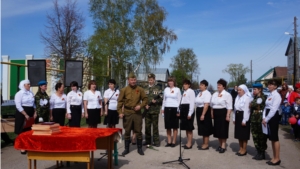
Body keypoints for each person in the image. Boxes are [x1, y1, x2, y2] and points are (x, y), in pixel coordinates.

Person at [117, 73, 147, 156]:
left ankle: (139, 148)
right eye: (131, 80)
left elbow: (145, 100)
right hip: (127, 113)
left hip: (137, 113)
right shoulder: (124, 90)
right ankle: (126, 149)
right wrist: (120, 112)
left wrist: (140, 106)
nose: (133, 81)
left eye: (134, 80)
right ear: (128, 80)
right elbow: (120, 102)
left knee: (138, 131)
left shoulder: (140, 89)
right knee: (127, 131)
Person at [14, 80, 37, 154]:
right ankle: (22, 147)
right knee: (22, 131)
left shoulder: (31, 93)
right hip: (22, 113)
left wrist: (35, 112)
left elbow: (34, 104)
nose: (30, 85)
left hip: (30, 112)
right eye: (28, 84)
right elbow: (18, 105)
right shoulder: (19, 94)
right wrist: (25, 114)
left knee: (29, 130)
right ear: (24, 85)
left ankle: (28, 145)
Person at [210, 78, 232, 153]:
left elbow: (229, 107)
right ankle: (219, 145)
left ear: (224, 86)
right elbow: (212, 105)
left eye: (220, 85)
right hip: (216, 112)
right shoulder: (214, 94)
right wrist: (212, 113)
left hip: (223, 112)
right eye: (217, 85)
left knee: (223, 130)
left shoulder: (227, 95)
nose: (218, 86)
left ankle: (223, 145)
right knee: (217, 130)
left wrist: (228, 115)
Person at [262, 80, 282, 165]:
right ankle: (274, 157)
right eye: (269, 84)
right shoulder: (270, 95)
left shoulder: (277, 95)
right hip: (268, 115)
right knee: (271, 138)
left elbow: (274, 109)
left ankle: (277, 158)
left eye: (271, 85)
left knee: (274, 138)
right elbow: (266, 107)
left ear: (275, 86)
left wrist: (266, 119)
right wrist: (264, 117)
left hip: (273, 116)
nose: (269, 86)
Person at [142, 73, 163, 147]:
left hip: (154, 110)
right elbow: (142, 99)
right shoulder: (144, 88)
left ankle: (156, 141)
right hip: (147, 110)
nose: (150, 81)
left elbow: (161, 99)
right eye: (149, 80)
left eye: (151, 80)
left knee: (155, 127)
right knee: (147, 127)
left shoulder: (158, 88)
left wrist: (156, 101)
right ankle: (148, 141)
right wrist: (145, 105)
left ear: (154, 79)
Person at [161, 76, 181, 148]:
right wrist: (163, 108)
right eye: (169, 81)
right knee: (168, 126)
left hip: (175, 108)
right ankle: (169, 141)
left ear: (174, 82)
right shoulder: (166, 89)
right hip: (167, 108)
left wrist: (179, 110)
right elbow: (164, 100)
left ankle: (174, 141)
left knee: (174, 127)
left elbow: (179, 100)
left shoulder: (177, 89)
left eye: (171, 81)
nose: (170, 82)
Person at [232, 84, 252, 156]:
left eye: (240, 90)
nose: (239, 91)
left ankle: (244, 149)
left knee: (244, 134)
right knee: (239, 134)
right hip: (238, 115)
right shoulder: (237, 98)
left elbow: (247, 110)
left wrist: (244, 120)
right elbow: (235, 109)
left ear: (244, 91)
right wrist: (234, 118)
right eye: (238, 90)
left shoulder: (247, 98)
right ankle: (240, 148)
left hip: (243, 116)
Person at [250, 83, 267, 160]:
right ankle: (258, 151)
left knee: (261, 136)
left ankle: (262, 152)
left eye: (255, 89)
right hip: (254, 118)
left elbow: (253, 105)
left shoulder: (263, 97)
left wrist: (251, 104)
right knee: (255, 135)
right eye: (253, 89)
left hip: (260, 118)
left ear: (260, 89)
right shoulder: (255, 97)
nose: (254, 90)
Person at [195, 80, 213, 150]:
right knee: (201, 127)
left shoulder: (207, 93)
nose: (200, 86)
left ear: (206, 86)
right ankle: (203, 143)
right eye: (200, 85)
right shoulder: (199, 93)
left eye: (202, 85)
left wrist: (203, 114)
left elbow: (206, 104)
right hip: (199, 110)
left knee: (206, 128)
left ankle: (206, 144)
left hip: (204, 111)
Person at [180, 79, 195, 149]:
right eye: (183, 84)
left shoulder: (191, 91)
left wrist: (190, 113)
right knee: (186, 128)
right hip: (183, 109)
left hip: (188, 109)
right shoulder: (184, 92)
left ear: (189, 85)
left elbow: (192, 103)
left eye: (186, 84)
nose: (184, 85)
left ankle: (190, 143)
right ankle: (187, 142)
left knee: (189, 128)